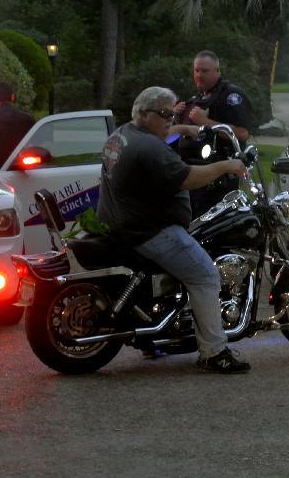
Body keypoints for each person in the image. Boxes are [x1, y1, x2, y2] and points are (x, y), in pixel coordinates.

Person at [97, 86, 251, 374]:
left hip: (121, 221)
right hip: (149, 230)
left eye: (173, 114)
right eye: (165, 114)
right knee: (205, 275)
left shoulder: (123, 134)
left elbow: (160, 138)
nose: (170, 119)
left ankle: (158, 334)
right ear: (144, 114)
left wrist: (182, 129)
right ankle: (214, 352)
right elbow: (188, 178)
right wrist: (226, 166)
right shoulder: (150, 148)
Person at [173, 50, 254, 217]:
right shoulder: (197, 98)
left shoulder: (231, 96)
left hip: (217, 180)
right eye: (196, 70)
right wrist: (174, 116)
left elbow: (242, 133)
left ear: (217, 71)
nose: (199, 75)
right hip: (191, 176)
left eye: (204, 71)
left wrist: (204, 121)